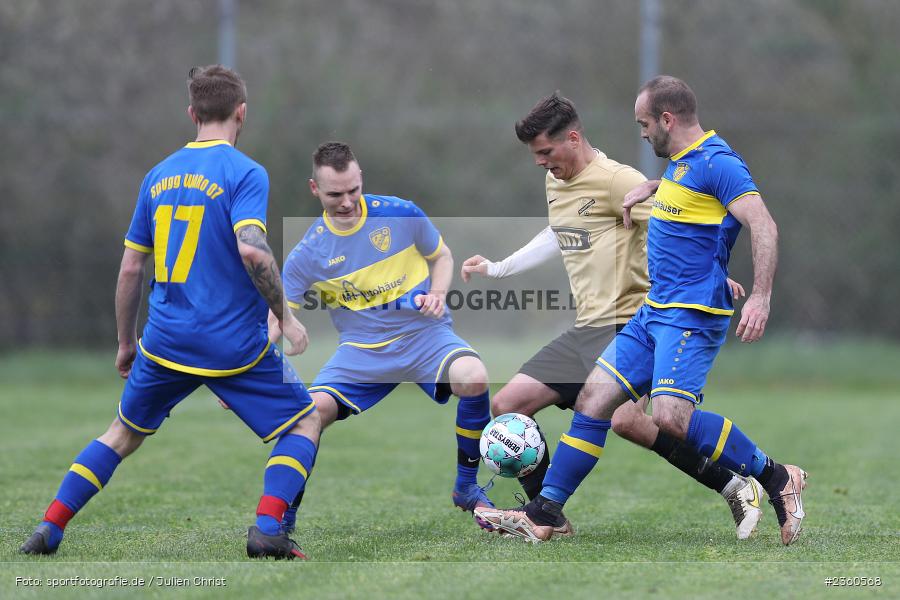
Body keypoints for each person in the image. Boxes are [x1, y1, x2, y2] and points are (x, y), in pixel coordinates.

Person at [476, 76, 807, 546]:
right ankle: (544, 512)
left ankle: (777, 478)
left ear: (667, 120)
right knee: (596, 401)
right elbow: (690, 200)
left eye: (644, 123)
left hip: (689, 313)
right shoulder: (680, 164)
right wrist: (655, 186)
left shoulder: (718, 162)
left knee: (671, 419)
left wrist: (760, 295)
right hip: (653, 310)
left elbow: (763, 223)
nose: (641, 132)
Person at [20, 65, 320, 560]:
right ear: (241, 112)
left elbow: (131, 269)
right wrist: (285, 318)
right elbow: (253, 250)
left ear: (192, 113)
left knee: (120, 434)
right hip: (233, 345)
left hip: (164, 339)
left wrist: (125, 342)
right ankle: (268, 528)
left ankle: (49, 527)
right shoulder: (246, 173)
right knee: (304, 423)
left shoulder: (158, 176)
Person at [277, 141, 494, 532]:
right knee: (306, 415)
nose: (347, 202)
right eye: (334, 194)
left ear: (361, 179)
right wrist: (254, 364)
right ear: (314, 189)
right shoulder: (308, 252)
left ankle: (466, 486)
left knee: (474, 377)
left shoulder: (399, 212)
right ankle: (282, 517)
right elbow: (278, 313)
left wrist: (438, 294)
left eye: (353, 190)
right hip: (362, 351)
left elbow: (441, 256)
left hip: (425, 335)